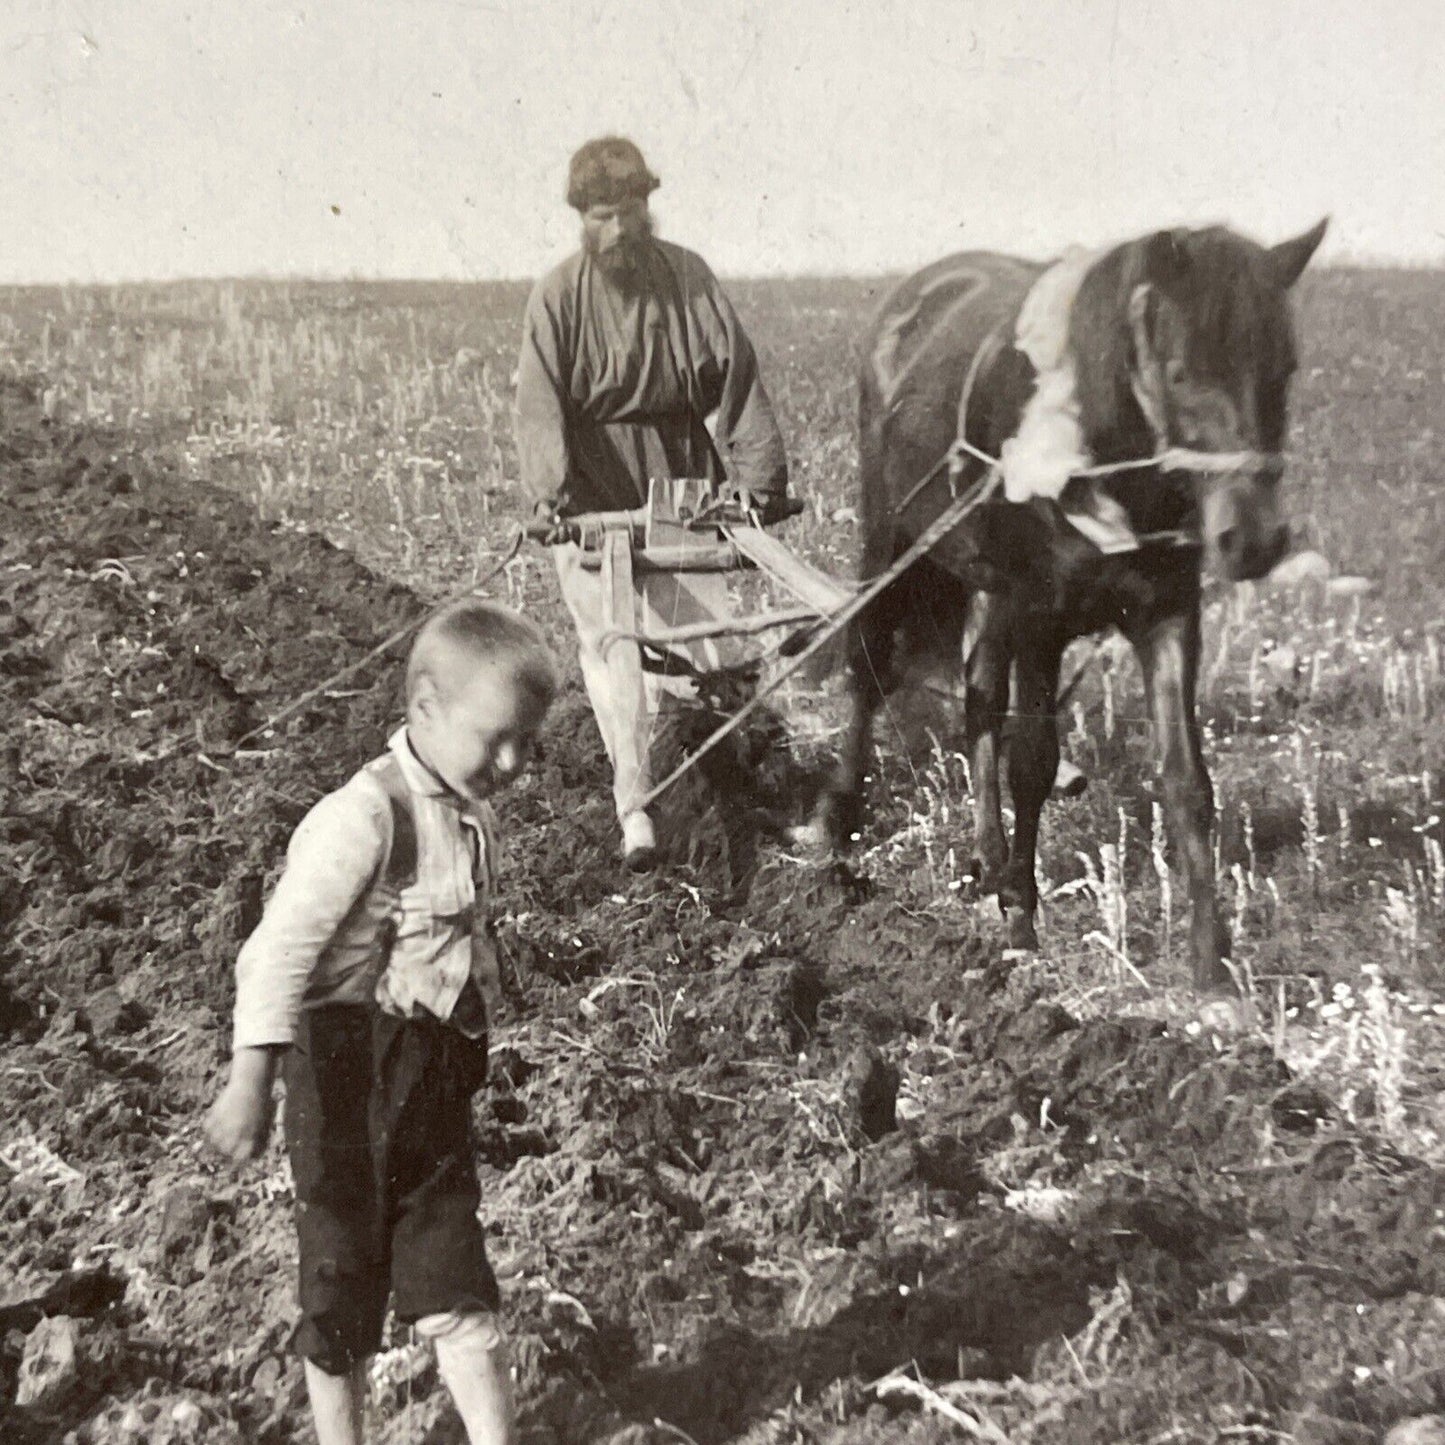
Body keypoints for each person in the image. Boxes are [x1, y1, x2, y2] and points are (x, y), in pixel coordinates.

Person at [203, 598, 559, 1445]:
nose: (512, 761)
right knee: (339, 1286)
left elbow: (461, 931)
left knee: (456, 1280)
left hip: (429, 1086)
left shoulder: (471, 817)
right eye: (495, 738)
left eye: (527, 742)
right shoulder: (360, 818)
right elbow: (275, 954)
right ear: (425, 709)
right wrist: (249, 1079)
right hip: (344, 1085)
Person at [514, 135, 791, 871]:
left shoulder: (688, 280)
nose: (620, 230)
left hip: (680, 477)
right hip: (592, 485)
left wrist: (759, 482)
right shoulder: (558, 296)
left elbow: (735, 381)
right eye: (604, 216)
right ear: (582, 218)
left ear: (649, 207)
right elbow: (539, 407)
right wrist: (550, 495)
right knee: (614, 649)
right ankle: (633, 800)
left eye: (632, 211)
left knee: (696, 645)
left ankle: (711, 786)